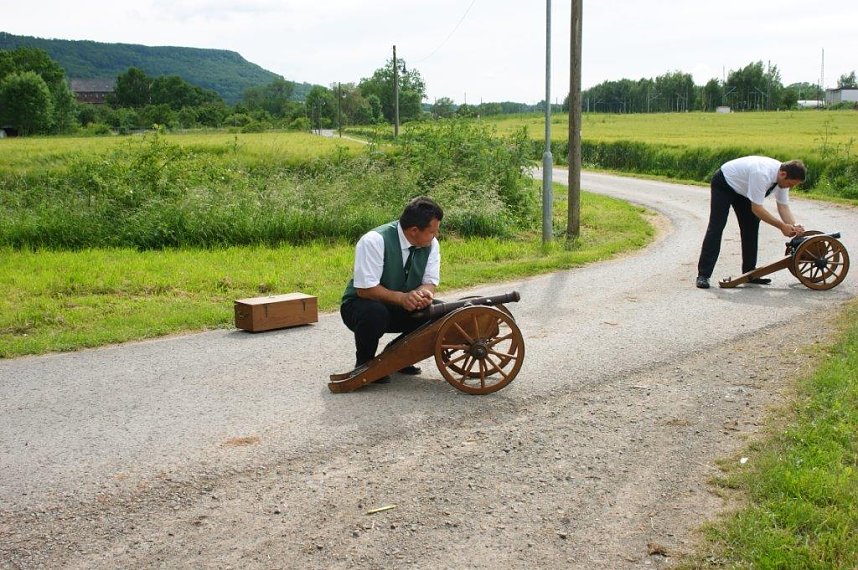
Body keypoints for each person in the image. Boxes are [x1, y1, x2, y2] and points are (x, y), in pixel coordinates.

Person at [340, 196, 443, 377]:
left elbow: (429, 282)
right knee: (375, 312)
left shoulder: (431, 244)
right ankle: (364, 364)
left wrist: (423, 295)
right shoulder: (374, 240)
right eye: (432, 231)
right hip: (360, 306)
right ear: (414, 230)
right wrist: (402, 298)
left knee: (439, 312)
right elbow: (365, 290)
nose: (436, 236)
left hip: (400, 306)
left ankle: (398, 356)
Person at [696, 156, 806, 289]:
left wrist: (794, 227)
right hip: (725, 183)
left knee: (751, 227)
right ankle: (703, 275)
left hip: (744, 191)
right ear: (783, 174)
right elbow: (757, 208)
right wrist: (782, 226)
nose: (790, 187)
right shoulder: (762, 174)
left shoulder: (784, 176)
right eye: (790, 184)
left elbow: (783, 206)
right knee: (716, 227)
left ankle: (749, 274)